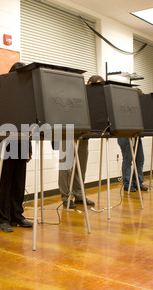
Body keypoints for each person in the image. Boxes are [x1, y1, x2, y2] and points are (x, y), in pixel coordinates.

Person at [0, 62, 33, 233]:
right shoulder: (2, 92)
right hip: (3, 139)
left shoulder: (29, 96)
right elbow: (2, 116)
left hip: (21, 140)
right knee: (3, 181)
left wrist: (29, 145)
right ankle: (3, 219)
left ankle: (17, 215)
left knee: (18, 180)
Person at [56, 75, 102, 208]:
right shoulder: (73, 93)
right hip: (67, 132)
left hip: (84, 134)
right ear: (88, 83)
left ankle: (80, 195)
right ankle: (66, 197)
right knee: (65, 166)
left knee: (81, 166)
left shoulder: (94, 98)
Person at [117, 89, 148, 192]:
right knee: (128, 160)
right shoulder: (124, 107)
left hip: (136, 135)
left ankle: (138, 183)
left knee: (140, 159)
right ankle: (127, 184)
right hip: (125, 135)